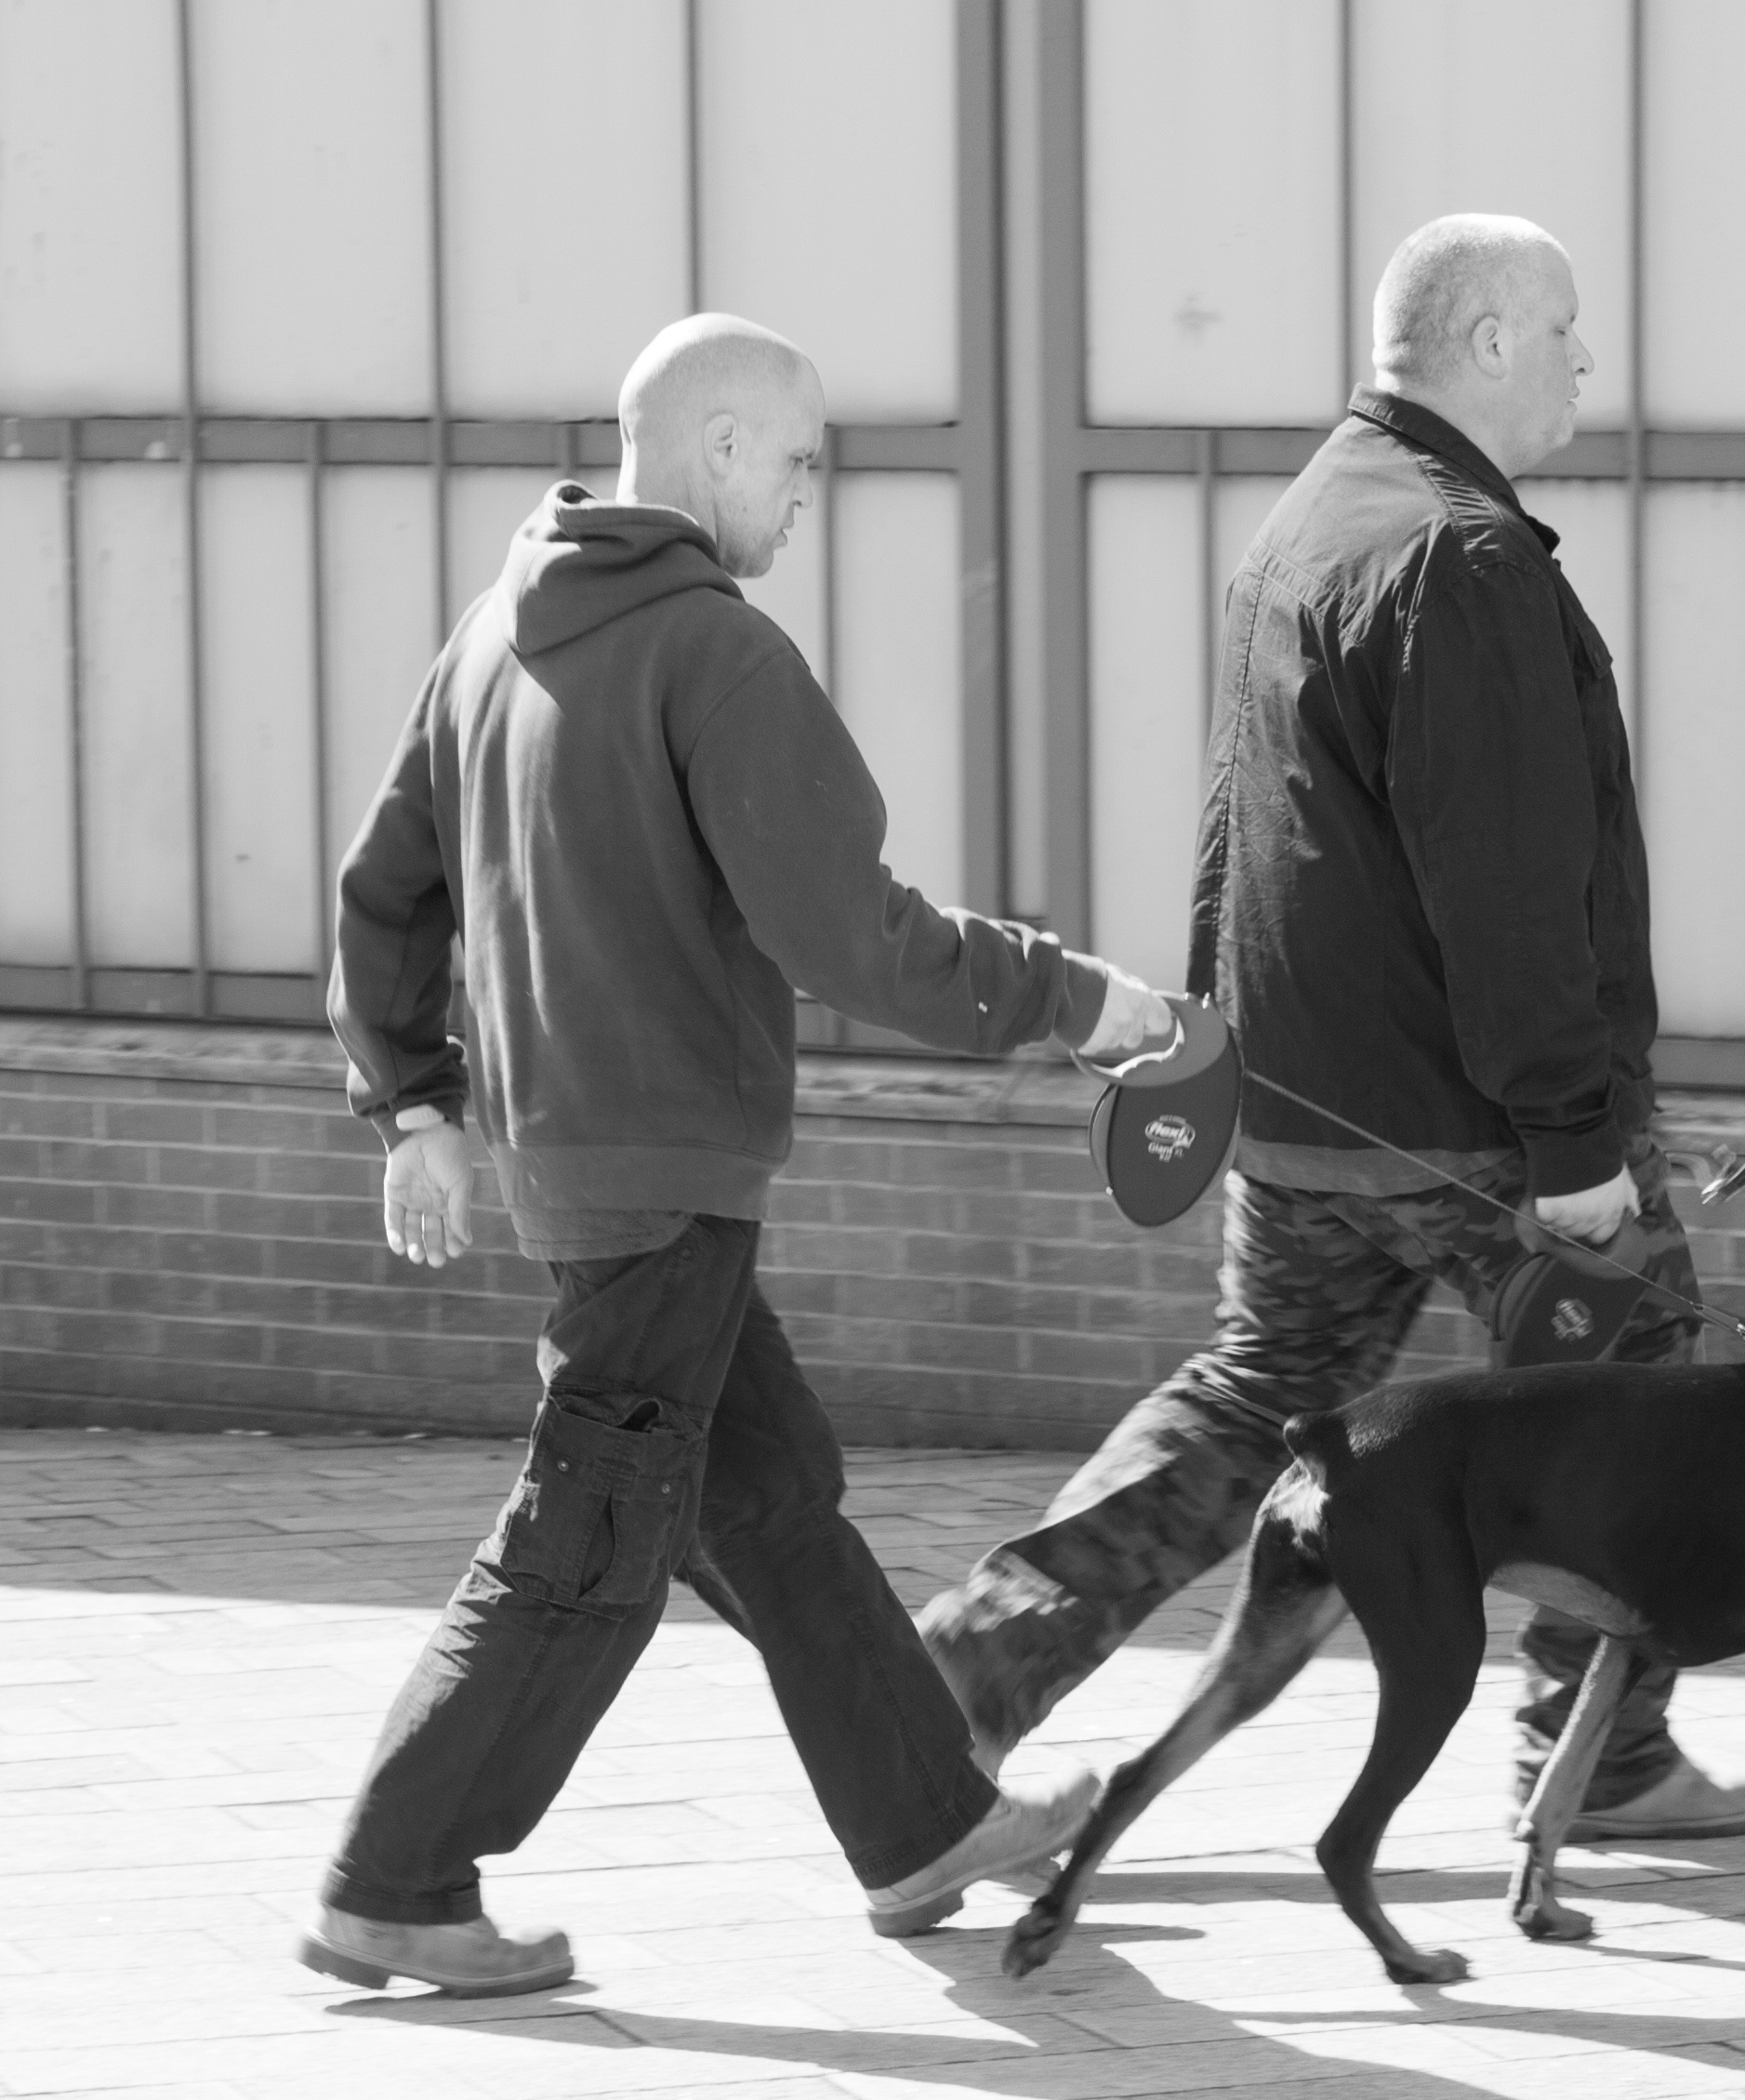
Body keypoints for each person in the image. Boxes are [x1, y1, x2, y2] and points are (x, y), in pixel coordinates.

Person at [304, 314, 1174, 1997]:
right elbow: (852, 933)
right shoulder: (716, 652)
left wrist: (415, 1102)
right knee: (588, 1528)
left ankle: (923, 1820)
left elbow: (379, 894)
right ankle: (394, 1879)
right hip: (666, 1173)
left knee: (767, 1497)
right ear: (711, 449)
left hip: (581, 1163)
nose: (808, 494)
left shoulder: (491, 636)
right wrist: (1083, 1000)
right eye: (797, 459)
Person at [916, 217, 1745, 1840]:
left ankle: (959, 1682)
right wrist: (1578, 1146)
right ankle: (1597, 1752)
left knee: (1252, 1402)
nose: (1588, 365)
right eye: (1568, 333)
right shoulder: (1460, 555)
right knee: (1647, 1393)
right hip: (1465, 1122)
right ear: (1485, 345)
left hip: (1301, 1102)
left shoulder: (1313, 516)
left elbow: (1241, 829)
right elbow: (1510, 886)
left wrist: (1215, 1045)